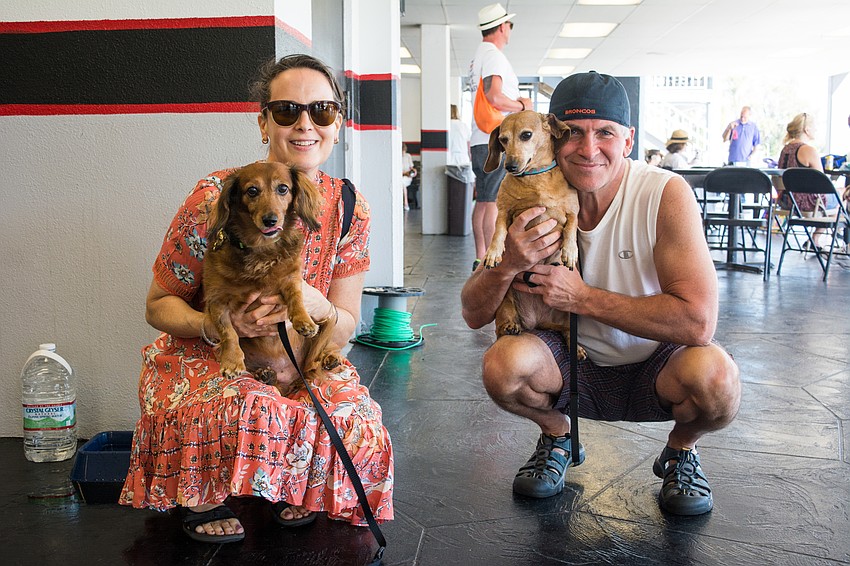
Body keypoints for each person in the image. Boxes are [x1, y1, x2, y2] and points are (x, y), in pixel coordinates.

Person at [120, 54, 394, 542]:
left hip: (302, 357)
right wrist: (216, 325)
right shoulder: (214, 197)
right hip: (213, 356)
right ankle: (204, 491)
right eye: (287, 110)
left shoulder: (351, 207)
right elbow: (157, 305)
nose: (305, 124)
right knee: (247, 403)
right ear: (264, 120)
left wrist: (323, 307)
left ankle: (292, 484)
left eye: (323, 111)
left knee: (357, 421)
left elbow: (348, 323)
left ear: (337, 124)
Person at [460, 71, 740, 516]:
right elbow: (473, 313)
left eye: (605, 133)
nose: (589, 150)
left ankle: (681, 449)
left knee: (718, 380)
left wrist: (583, 298)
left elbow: (699, 322)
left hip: (656, 360)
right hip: (567, 360)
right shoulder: (530, 197)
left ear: (628, 140)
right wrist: (509, 262)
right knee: (502, 364)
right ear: (553, 137)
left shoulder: (663, 193)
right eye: (573, 134)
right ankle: (557, 436)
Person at [469, 3, 533, 272]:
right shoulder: (493, 55)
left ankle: (481, 255)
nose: (510, 31)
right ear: (503, 27)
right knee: (493, 201)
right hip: (494, 139)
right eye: (510, 26)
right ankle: (491, 257)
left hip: (479, 139)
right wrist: (522, 106)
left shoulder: (479, 55)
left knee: (484, 200)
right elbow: (494, 96)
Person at [775, 112, 839, 248]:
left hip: (786, 202)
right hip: (806, 204)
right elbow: (822, 184)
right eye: (814, 126)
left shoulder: (785, 150)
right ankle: (815, 238)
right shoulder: (809, 150)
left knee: (839, 196)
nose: (816, 129)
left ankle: (814, 240)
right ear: (807, 129)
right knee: (841, 201)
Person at [448, 104, 472, 168]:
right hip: (463, 157)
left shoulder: (445, 126)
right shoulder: (463, 126)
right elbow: (469, 146)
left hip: (449, 157)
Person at [402, 142, 416, 211]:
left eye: (403, 151)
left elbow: (411, 168)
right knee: (402, 183)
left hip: (408, 177)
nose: (403, 153)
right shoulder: (396, 157)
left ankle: (405, 203)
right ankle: (405, 203)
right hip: (401, 176)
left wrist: (413, 172)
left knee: (402, 183)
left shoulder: (408, 156)